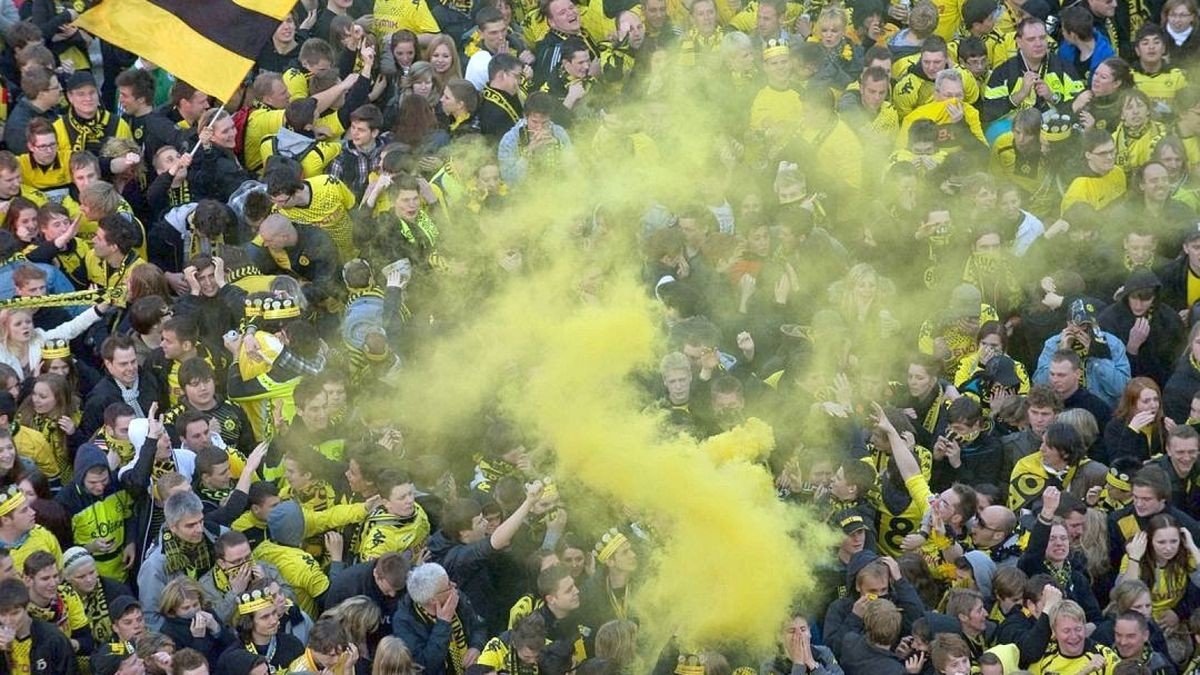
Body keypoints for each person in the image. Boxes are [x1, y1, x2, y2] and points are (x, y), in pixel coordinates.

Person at [392, 562, 488, 674]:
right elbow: (425, 665)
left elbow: (479, 626)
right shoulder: (404, 622)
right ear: (433, 600)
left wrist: (476, 646)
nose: (454, 586)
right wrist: (443, 623)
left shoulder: (455, 597)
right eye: (448, 585)